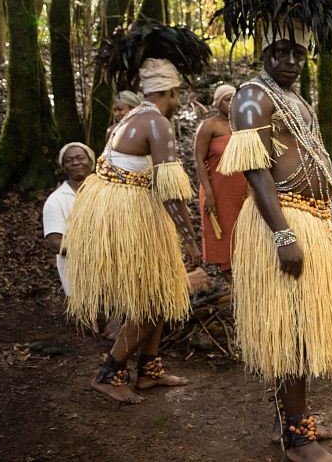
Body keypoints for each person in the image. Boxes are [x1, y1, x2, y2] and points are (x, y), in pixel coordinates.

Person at [216, 0, 332, 462]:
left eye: (298, 52)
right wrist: (282, 234)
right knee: (291, 330)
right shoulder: (253, 96)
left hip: (311, 218)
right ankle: (297, 437)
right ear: (264, 50)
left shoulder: (295, 97)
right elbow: (255, 172)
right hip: (284, 221)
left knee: (300, 327)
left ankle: (296, 420)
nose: (291, 60)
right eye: (281, 51)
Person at [63, 24, 210, 404]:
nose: (179, 100)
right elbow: (171, 188)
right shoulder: (156, 122)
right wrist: (190, 238)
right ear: (172, 92)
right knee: (153, 299)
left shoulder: (130, 119)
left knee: (159, 294)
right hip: (129, 215)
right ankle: (109, 372)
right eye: (178, 94)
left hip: (121, 212)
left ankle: (149, 370)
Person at [194, 83, 246, 282]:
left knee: (242, 230)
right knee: (223, 231)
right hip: (217, 188)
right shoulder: (209, 126)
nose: (232, 102)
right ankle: (230, 281)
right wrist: (208, 192)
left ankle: (243, 278)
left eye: (235, 98)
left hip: (241, 188)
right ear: (217, 103)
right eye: (227, 99)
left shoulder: (242, 125)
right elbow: (199, 159)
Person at [43, 142, 96, 295]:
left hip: (114, 271)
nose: (75, 162)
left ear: (91, 162)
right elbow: (54, 243)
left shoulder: (106, 192)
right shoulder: (56, 200)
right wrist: (92, 252)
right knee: (89, 316)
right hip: (79, 276)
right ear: (63, 167)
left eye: (80, 158)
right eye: (69, 160)